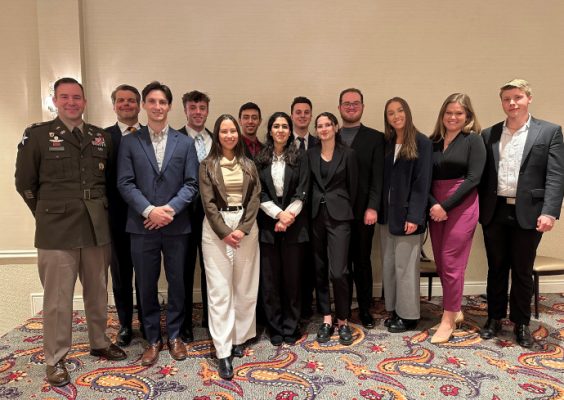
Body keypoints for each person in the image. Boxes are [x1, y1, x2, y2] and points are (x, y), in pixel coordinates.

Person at [15, 77, 126, 387]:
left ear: (85, 102)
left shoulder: (101, 137)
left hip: (95, 227)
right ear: (55, 101)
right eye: (65, 97)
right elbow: (25, 183)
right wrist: (46, 213)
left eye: (77, 97)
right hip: (56, 231)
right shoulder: (36, 136)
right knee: (58, 299)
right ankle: (55, 357)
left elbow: (110, 183)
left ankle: (100, 341)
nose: (72, 102)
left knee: (97, 292)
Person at [117, 81, 199, 366]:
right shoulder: (130, 141)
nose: (157, 106)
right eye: (151, 101)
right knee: (146, 285)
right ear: (144, 105)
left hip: (177, 226)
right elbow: (125, 183)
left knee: (178, 283)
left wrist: (169, 210)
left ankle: (175, 336)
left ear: (169, 106)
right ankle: (152, 339)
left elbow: (191, 184)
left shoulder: (185, 142)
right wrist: (149, 210)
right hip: (142, 227)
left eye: (162, 102)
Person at [479, 79, 564, 348]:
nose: (512, 103)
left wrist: (550, 212)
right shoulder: (489, 134)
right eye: (506, 99)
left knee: (523, 270)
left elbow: (556, 176)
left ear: (529, 98)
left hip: (529, 212)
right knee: (496, 268)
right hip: (495, 211)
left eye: (517, 97)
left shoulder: (549, 132)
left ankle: (521, 323)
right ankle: (493, 318)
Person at [199, 114, 261, 380]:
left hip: (246, 227)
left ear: (238, 134)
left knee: (245, 286)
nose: (229, 135)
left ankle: (240, 338)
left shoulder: (248, 164)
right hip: (216, 230)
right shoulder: (207, 165)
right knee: (220, 290)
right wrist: (225, 232)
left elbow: (255, 197)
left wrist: (243, 228)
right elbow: (208, 203)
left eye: (232, 131)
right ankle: (223, 350)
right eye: (223, 131)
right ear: (217, 134)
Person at [427, 93, 486, 343]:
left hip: (461, 205)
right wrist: (433, 204)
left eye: (459, 113)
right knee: (441, 261)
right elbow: (423, 178)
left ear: (468, 116)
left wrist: (445, 205)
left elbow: (474, 178)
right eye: (449, 112)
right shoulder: (432, 142)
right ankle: (456, 309)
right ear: (442, 115)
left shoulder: (474, 141)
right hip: (435, 204)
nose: (453, 117)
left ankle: (448, 319)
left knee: (452, 262)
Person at [378, 97, 433, 333]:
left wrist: (415, 216)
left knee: (406, 268)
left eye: (400, 111)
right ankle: (394, 309)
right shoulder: (388, 142)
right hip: (387, 215)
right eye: (391, 113)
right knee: (390, 265)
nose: (396, 116)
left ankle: (409, 316)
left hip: (408, 217)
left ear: (407, 113)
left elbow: (423, 184)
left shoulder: (422, 142)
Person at [255, 112, 309, 346]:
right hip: (268, 226)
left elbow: (303, 189)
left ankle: (291, 325)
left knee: (292, 279)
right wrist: (278, 214)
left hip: (294, 226)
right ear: (269, 130)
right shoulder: (260, 158)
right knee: (270, 280)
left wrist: (287, 217)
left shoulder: (300, 157)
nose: (280, 130)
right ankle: (275, 326)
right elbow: (260, 192)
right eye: (276, 126)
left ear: (290, 131)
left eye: (284, 126)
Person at [309, 112, 358, 346]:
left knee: (339, 271)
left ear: (336, 127)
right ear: (316, 130)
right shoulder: (309, 154)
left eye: (328, 124)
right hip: (316, 217)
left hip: (340, 218)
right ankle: (326, 319)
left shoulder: (348, 154)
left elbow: (354, 187)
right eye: (320, 126)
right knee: (319, 269)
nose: (324, 128)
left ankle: (343, 320)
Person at [337, 88, 384, 329]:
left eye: (356, 103)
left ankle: (365, 308)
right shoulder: (329, 135)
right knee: (339, 264)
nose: (351, 107)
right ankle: (342, 309)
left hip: (363, 212)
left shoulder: (375, 138)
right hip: (334, 214)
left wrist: (373, 207)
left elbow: (378, 178)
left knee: (362, 262)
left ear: (363, 107)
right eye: (346, 103)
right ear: (339, 108)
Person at [105, 84, 144, 346]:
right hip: (116, 219)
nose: (127, 105)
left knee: (146, 275)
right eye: (121, 101)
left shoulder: (150, 136)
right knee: (121, 276)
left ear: (139, 105)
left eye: (132, 101)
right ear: (115, 105)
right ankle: (124, 325)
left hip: (146, 219)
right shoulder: (103, 137)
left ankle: (148, 322)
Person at [178, 90, 213, 341]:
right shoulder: (175, 139)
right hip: (184, 215)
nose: (197, 112)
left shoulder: (217, 139)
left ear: (207, 111)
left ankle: (211, 318)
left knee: (212, 269)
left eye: (202, 108)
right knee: (184, 270)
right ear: (185, 110)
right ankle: (185, 323)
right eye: (193, 107)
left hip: (212, 215)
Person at [290, 96, 319, 320]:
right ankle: (295, 306)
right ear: (292, 115)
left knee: (313, 261)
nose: (302, 115)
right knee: (295, 263)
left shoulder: (321, 142)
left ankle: (309, 307)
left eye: (306, 112)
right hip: (290, 214)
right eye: (298, 112)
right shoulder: (283, 142)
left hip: (317, 213)